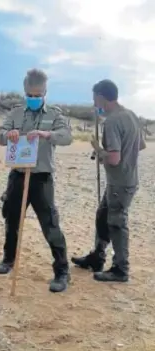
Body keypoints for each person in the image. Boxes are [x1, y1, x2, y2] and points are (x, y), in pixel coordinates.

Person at [0, 69, 72, 293]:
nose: (34, 98)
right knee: (11, 218)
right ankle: (8, 260)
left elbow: (67, 137)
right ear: (25, 92)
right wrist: (8, 135)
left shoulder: (55, 115)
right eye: (30, 94)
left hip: (42, 178)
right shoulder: (16, 113)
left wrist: (47, 135)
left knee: (50, 224)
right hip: (18, 176)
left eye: (38, 95)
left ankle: (62, 271)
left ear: (45, 92)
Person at [71, 79, 146, 282]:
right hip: (125, 179)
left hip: (120, 182)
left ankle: (121, 269)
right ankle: (97, 256)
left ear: (102, 97)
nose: (94, 102)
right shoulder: (131, 115)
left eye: (95, 98)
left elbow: (113, 158)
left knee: (116, 223)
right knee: (103, 216)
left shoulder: (112, 121)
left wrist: (99, 150)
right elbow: (140, 146)